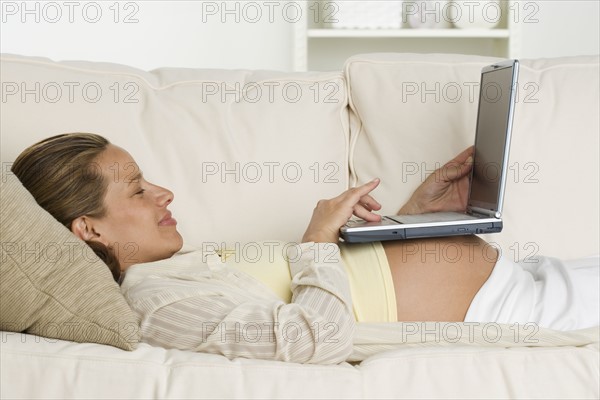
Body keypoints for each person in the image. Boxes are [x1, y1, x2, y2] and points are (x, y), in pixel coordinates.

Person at [12, 133, 599, 364]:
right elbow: (313, 337)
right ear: (89, 228)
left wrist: (423, 217)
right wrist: (316, 240)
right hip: (511, 310)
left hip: (527, 278)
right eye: (138, 190)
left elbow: (347, 284)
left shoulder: (182, 266)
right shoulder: (156, 302)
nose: (164, 192)